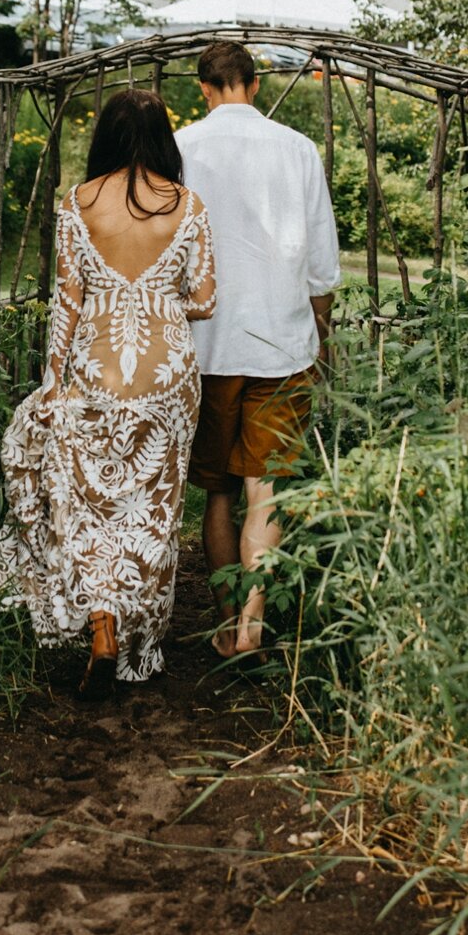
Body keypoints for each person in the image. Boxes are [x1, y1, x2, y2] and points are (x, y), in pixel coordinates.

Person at [0, 88, 217, 699]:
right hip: (168, 381)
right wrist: (160, 296)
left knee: (87, 502)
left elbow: (65, 304)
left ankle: (101, 620)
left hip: (92, 369)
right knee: (152, 511)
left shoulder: (78, 203)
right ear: (164, 136)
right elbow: (206, 300)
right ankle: (141, 643)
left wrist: (52, 382)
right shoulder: (189, 206)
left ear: (107, 138)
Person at [175, 40, 339, 658]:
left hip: (207, 345)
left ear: (205, 88)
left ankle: (221, 619)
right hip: (282, 343)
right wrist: (322, 331)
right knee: (263, 488)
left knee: (218, 490)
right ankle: (254, 623)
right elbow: (322, 258)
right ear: (255, 85)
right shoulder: (297, 148)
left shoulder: (183, 148)